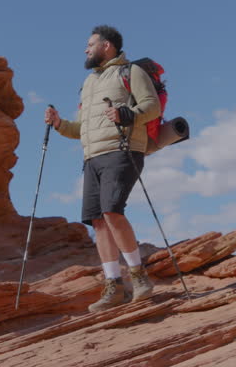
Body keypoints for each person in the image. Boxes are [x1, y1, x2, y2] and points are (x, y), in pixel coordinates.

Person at [45, 25, 161, 312]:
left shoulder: (131, 72)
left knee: (111, 210)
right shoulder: (89, 83)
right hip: (92, 157)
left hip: (122, 150)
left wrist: (126, 113)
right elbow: (80, 128)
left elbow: (152, 106)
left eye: (89, 44)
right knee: (97, 220)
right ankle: (114, 286)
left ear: (106, 46)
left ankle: (139, 276)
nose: (85, 49)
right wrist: (59, 124)